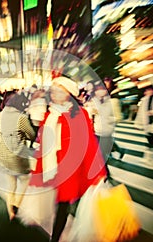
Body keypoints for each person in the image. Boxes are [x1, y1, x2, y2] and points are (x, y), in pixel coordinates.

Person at [30, 76, 107, 242]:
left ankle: (57, 237)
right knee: (63, 202)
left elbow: (89, 142)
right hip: (56, 165)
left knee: (66, 202)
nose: (56, 94)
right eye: (54, 91)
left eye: (60, 91)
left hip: (75, 165)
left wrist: (97, 168)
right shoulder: (50, 113)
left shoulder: (80, 114)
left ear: (69, 93)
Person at [0, 91, 36, 220]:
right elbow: (31, 134)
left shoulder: (0, 115)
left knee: (11, 184)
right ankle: (16, 205)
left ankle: (10, 212)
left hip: (3, 154)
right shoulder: (21, 117)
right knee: (25, 180)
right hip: (17, 156)